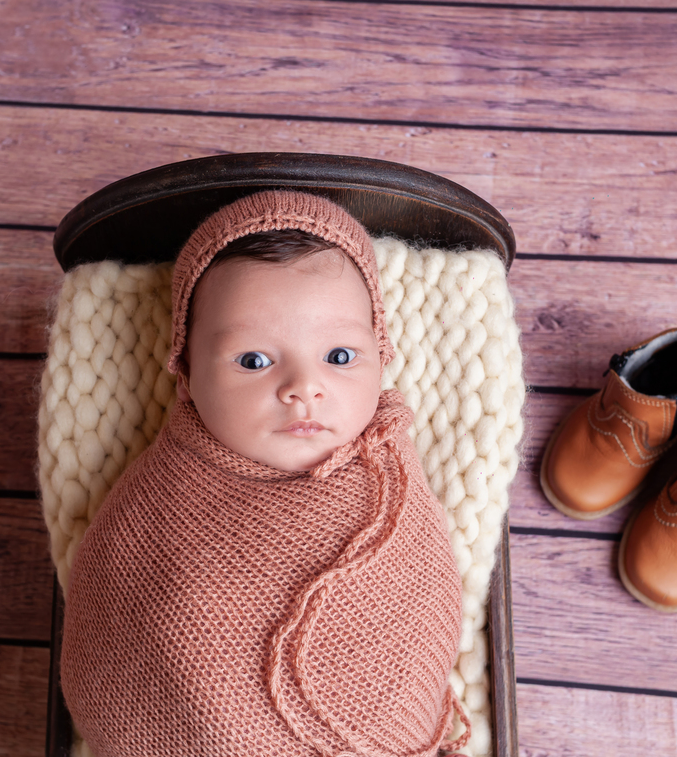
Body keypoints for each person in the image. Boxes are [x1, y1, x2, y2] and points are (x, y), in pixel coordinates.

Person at [60, 190, 469, 757]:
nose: (304, 387)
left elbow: (420, 615)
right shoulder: (153, 508)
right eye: (253, 361)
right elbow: (114, 631)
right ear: (186, 370)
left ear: (382, 355)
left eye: (340, 357)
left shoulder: (389, 485)